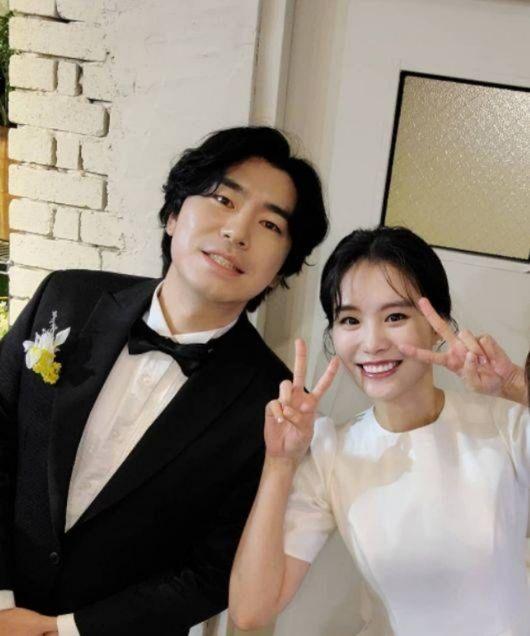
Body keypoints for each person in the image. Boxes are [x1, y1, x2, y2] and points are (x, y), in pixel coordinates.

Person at [0, 126, 329, 636]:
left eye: (270, 224)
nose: (237, 232)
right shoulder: (66, 298)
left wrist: (61, 630)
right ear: (174, 214)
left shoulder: (275, 402)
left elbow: (212, 571)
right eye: (223, 199)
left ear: (282, 268)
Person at [230, 225, 529, 636]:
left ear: (438, 324)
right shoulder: (333, 453)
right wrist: (279, 461)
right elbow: (251, 612)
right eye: (350, 319)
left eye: (395, 316)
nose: (371, 343)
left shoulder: (505, 422)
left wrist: (515, 387)